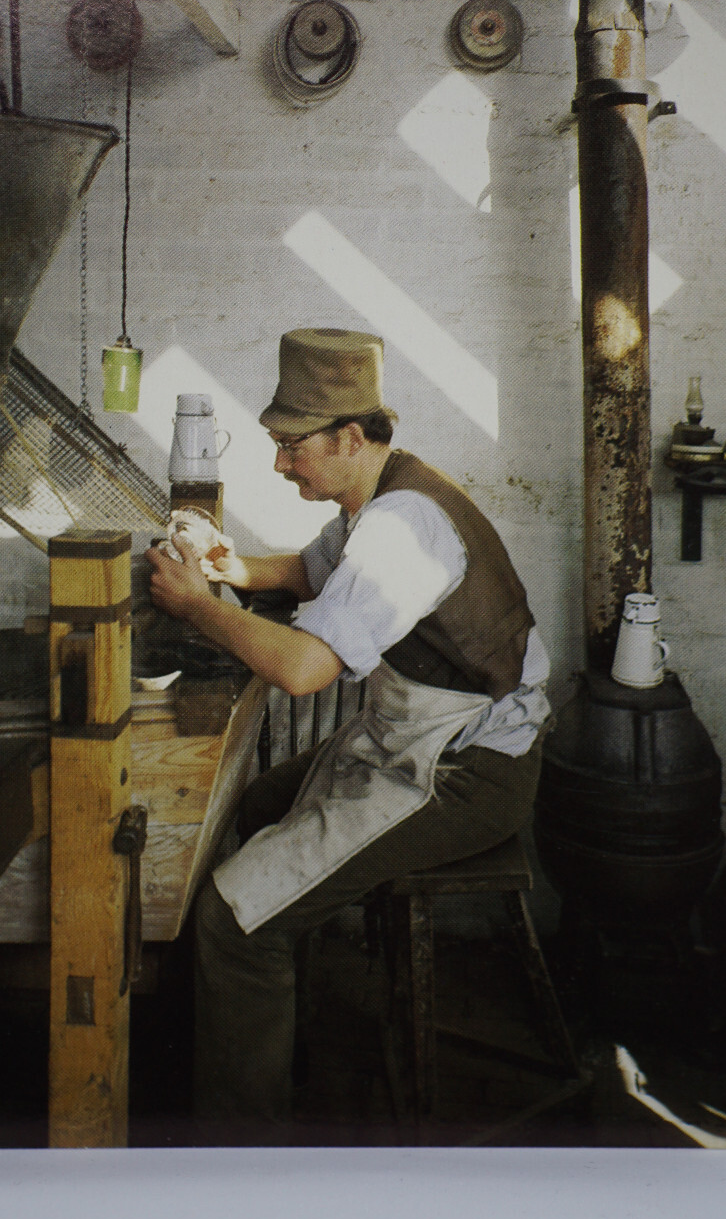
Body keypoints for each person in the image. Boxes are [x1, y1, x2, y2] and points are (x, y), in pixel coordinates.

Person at [146, 327, 551, 1129]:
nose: (280, 465)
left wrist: (196, 606)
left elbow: (303, 670)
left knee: (230, 922)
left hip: (465, 770)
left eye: (291, 446)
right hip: (417, 736)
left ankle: (243, 1147)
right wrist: (226, 565)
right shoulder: (382, 495)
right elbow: (307, 572)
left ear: (350, 437)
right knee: (262, 804)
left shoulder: (403, 528)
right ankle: (277, 1024)